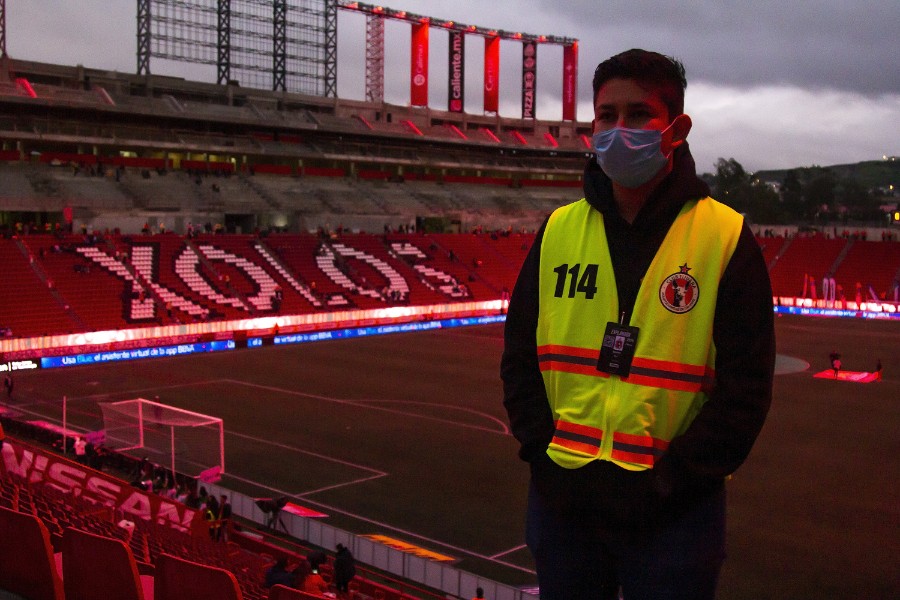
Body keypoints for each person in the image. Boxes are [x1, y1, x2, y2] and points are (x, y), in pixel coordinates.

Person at [501, 49, 775, 600]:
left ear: (676, 128)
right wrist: (543, 459)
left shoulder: (723, 237)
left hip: (674, 517)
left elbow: (746, 391)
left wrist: (670, 483)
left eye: (638, 115)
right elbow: (518, 359)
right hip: (563, 507)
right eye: (607, 116)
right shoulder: (557, 230)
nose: (618, 130)